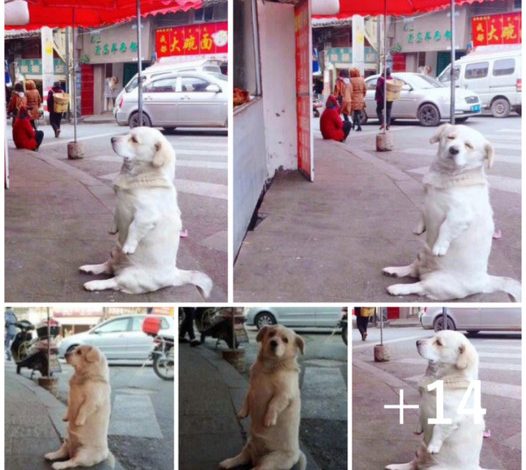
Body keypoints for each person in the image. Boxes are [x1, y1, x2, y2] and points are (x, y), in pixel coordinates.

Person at [350, 67, 367, 131]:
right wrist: (363, 95)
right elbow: (365, 89)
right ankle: (354, 125)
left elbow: (349, 89)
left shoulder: (351, 80)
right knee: (357, 112)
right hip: (361, 97)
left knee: (355, 112)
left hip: (354, 98)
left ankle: (359, 126)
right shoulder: (362, 79)